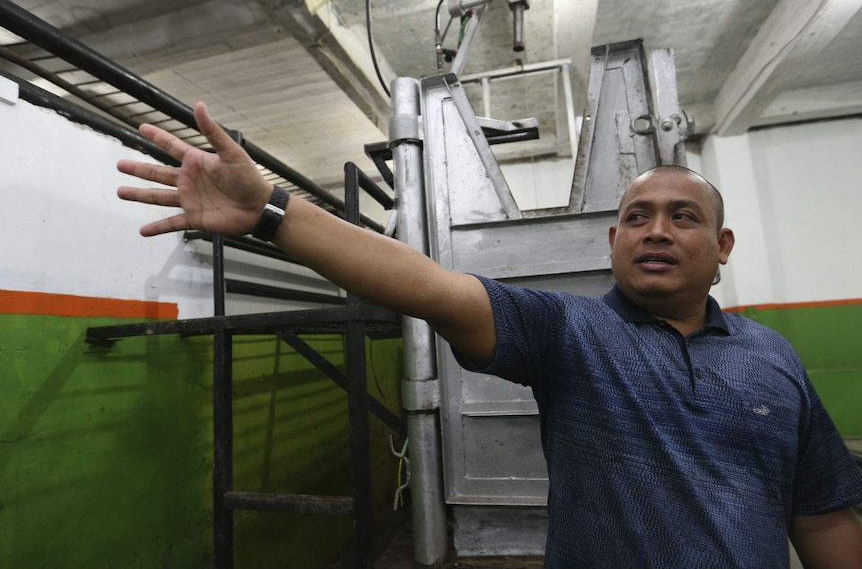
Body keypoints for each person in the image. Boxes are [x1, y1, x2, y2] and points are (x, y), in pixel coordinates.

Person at [117, 102, 862, 568]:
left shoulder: (773, 358)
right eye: (638, 217)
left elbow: (821, 511)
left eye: (683, 216)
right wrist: (274, 213)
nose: (657, 230)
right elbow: (430, 285)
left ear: (723, 246)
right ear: (612, 241)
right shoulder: (570, 331)